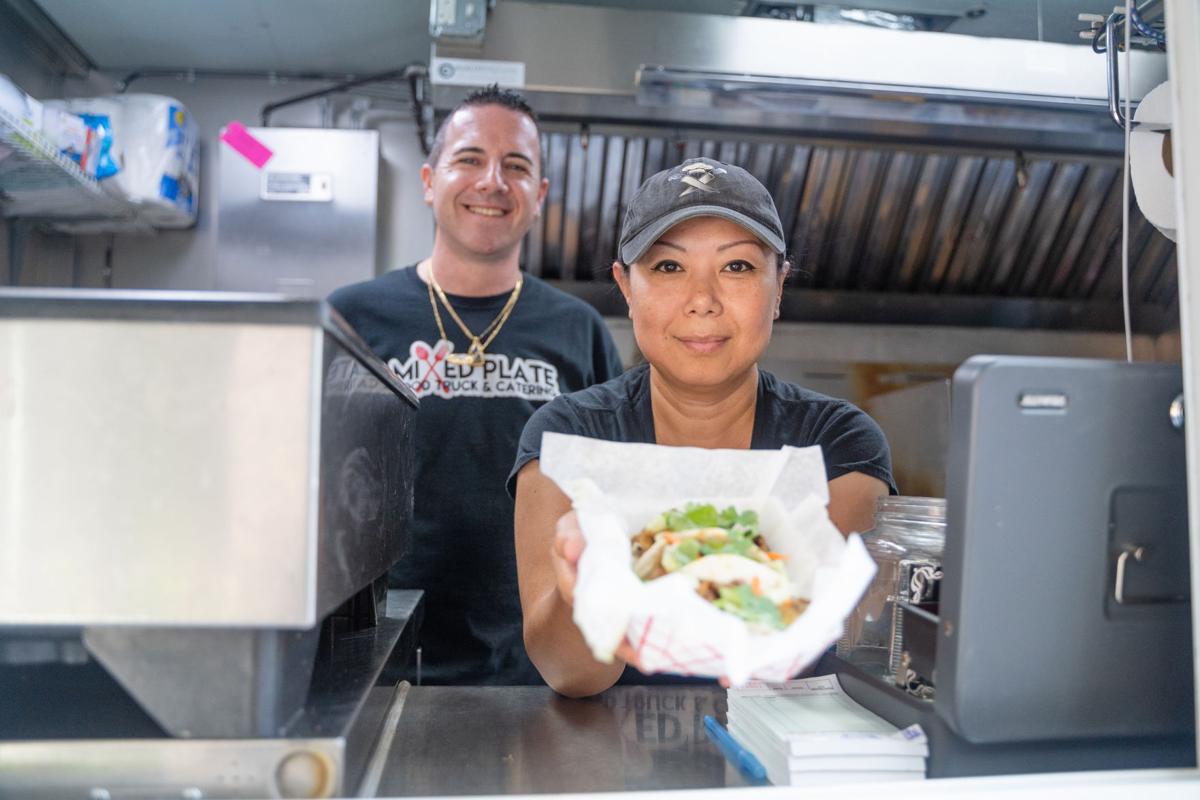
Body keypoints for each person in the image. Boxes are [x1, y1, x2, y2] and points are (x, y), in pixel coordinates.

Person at [509, 157, 896, 697]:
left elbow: (804, 639)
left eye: (737, 267)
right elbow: (569, 674)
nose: (702, 302)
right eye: (669, 267)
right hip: (610, 764)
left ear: (779, 286)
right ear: (625, 285)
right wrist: (582, 595)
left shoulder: (836, 442)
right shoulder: (568, 437)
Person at [329, 86, 625, 685]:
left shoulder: (579, 331)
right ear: (429, 180)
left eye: (517, 166)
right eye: (469, 158)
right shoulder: (351, 319)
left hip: (537, 660)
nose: (493, 181)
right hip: (372, 656)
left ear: (538, 196)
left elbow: (616, 498)